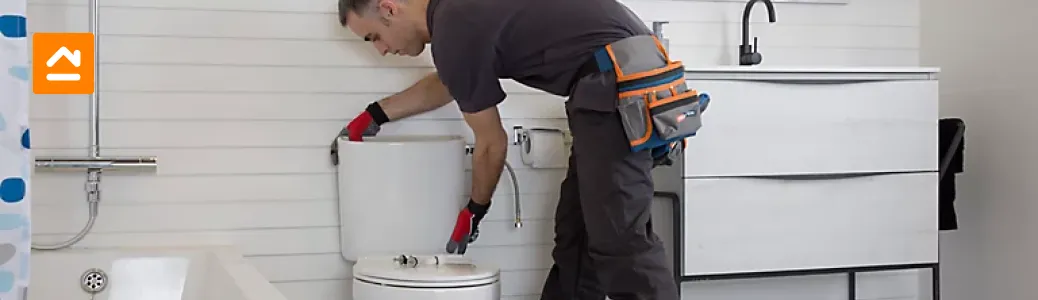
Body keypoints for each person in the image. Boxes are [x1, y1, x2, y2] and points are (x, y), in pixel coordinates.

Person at [330, 0, 685, 298]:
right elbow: (452, 79)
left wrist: (474, 210)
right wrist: (375, 115)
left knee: (619, 240)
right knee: (576, 238)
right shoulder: (457, 16)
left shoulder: (454, 26)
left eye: (374, 36)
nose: (381, 48)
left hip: (617, 83)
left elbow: (491, 144)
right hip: (625, 74)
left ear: (388, 8)